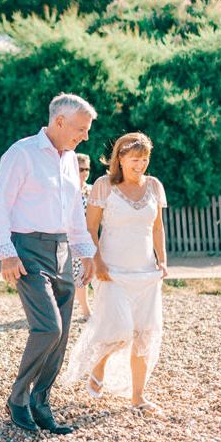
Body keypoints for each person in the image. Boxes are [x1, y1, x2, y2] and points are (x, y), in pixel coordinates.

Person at [0, 93, 97, 434]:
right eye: (81, 128)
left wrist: (86, 252)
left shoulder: (69, 160)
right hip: (28, 250)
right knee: (48, 327)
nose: (86, 135)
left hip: (63, 249)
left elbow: (74, 211)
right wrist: (6, 252)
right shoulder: (21, 153)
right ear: (60, 121)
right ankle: (18, 398)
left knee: (62, 334)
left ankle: (41, 402)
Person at [62, 132, 168, 415]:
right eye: (134, 160)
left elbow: (157, 228)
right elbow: (90, 228)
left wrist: (162, 260)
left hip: (146, 272)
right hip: (112, 271)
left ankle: (138, 396)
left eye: (144, 160)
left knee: (144, 334)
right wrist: (97, 261)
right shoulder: (103, 186)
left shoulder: (155, 186)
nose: (140, 165)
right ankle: (99, 364)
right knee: (120, 330)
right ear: (120, 159)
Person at [74, 152, 94, 320]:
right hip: (69, 239)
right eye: (81, 169)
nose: (85, 172)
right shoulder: (68, 189)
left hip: (87, 239)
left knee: (83, 275)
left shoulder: (92, 190)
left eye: (87, 169)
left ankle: (86, 310)